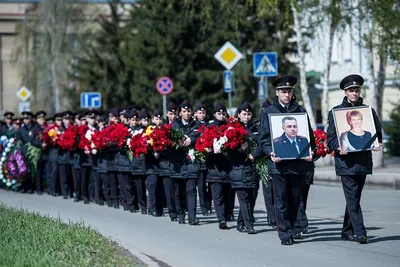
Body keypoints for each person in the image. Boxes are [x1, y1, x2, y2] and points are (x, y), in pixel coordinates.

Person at [259, 75, 314, 245]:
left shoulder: (300, 111)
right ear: (277, 93)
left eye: (289, 91)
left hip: (298, 163)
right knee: (281, 200)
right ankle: (285, 233)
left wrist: (311, 152)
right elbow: (263, 139)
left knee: (296, 198)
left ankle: (294, 228)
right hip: (279, 165)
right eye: (283, 91)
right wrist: (270, 153)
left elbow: (309, 136)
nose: (286, 94)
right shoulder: (268, 112)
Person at [327, 74, 382, 244]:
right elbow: (331, 139)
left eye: (357, 90)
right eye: (351, 90)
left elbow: (377, 134)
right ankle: (360, 232)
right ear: (345, 92)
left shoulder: (368, 111)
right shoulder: (336, 112)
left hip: (363, 161)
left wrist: (377, 144)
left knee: (354, 198)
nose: (354, 93)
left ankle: (346, 230)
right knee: (352, 197)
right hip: (346, 163)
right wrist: (338, 147)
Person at [230, 101, 262, 234]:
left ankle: (240, 223)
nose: (247, 116)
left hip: (253, 167)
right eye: (244, 114)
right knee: (243, 199)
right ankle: (249, 225)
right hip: (239, 169)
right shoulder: (232, 129)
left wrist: (254, 154)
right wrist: (240, 150)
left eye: (249, 114)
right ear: (238, 115)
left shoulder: (256, 127)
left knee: (252, 197)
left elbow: (262, 143)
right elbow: (228, 149)